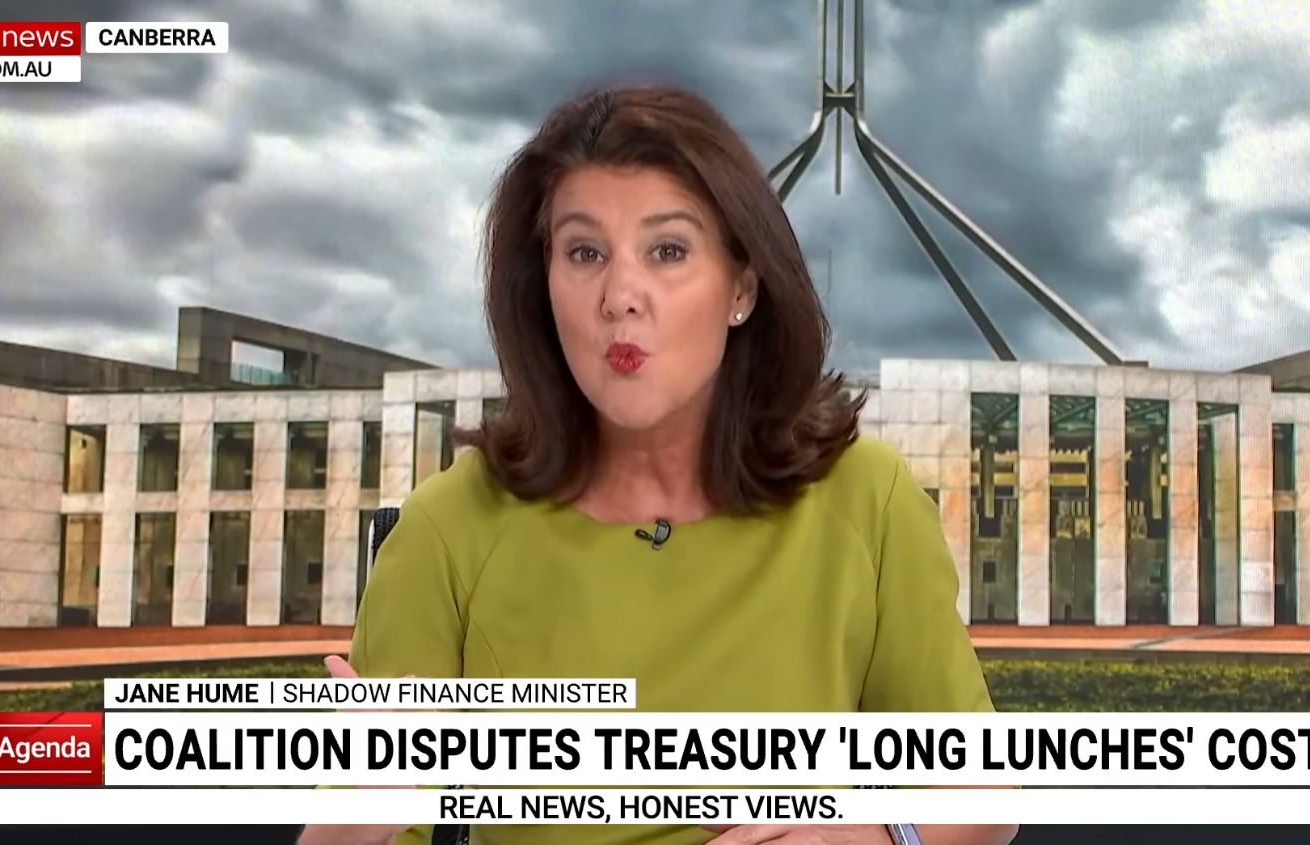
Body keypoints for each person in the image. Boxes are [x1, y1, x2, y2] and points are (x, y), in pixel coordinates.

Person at [298, 84, 1018, 845]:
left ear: (742, 287)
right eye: (584, 253)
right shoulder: (446, 530)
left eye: (667, 251)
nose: (620, 296)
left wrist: (869, 837)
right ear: (543, 288)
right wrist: (348, 824)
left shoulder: (866, 499)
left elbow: (980, 792)